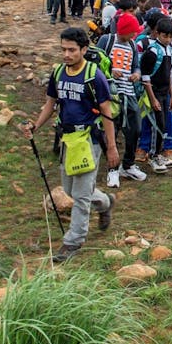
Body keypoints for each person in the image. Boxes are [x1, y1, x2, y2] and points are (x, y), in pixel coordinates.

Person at [23, 27, 119, 263]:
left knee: (81, 196)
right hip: (68, 140)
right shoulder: (58, 73)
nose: (66, 54)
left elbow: (106, 112)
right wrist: (36, 126)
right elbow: (50, 104)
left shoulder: (93, 76)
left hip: (88, 140)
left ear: (84, 50)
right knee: (69, 190)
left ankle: (73, 241)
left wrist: (112, 147)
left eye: (72, 50)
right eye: (63, 49)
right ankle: (105, 202)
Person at [107, 14, 147, 187]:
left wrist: (136, 74)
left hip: (129, 92)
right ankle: (112, 169)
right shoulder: (106, 40)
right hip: (111, 94)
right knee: (112, 131)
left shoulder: (132, 45)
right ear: (124, 30)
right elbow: (96, 62)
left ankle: (128, 164)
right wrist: (110, 70)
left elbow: (136, 65)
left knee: (135, 128)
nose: (134, 35)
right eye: (132, 32)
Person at [137, 14, 172, 174]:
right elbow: (145, 78)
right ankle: (153, 155)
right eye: (164, 36)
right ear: (157, 33)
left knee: (163, 123)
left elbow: (169, 73)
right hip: (152, 93)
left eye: (170, 36)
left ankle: (159, 153)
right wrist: (152, 99)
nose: (167, 39)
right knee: (156, 126)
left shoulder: (169, 50)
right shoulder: (152, 52)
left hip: (164, 93)